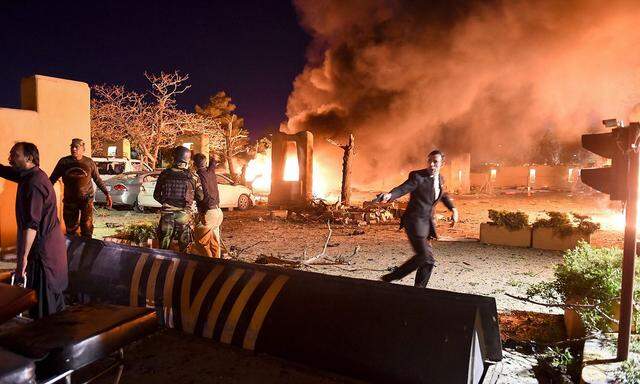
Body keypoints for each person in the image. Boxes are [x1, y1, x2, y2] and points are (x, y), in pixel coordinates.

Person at [0, 142, 67, 318]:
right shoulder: (29, 175)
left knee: (45, 308)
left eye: (15, 155)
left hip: (44, 254)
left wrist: (22, 259)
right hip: (47, 250)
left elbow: (32, 225)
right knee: (49, 305)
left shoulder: (34, 183)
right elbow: (6, 170)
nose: (10, 159)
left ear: (29, 158)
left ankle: (50, 343)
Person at [377, 149, 459, 288]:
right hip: (414, 222)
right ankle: (390, 277)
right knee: (424, 256)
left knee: (429, 261)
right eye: (430, 161)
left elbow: (443, 195)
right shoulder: (417, 176)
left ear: (442, 164)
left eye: (435, 162)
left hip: (427, 224)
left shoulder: (440, 179)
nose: (432, 165)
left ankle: (419, 291)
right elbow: (404, 188)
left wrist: (453, 209)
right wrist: (390, 195)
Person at [49, 138, 112, 237]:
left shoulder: (89, 162)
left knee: (86, 227)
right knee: (71, 228)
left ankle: (87, 248)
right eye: (72, 147)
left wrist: (107, 194)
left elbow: (97, 179)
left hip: (86, 199)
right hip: (70, 200)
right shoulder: (64, 162)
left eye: (76, 147)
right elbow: (52, 179)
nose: (74, 149)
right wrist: (44, 192)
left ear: (83, 149)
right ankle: (72, 248)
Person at [154, 146, 203, 252]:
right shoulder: (193, 176)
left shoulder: (165, 174)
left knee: (163, 247)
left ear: (175, 158)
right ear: (187, 159)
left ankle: (161, 265)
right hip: (184, 214)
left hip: (167, 214)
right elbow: (201, 196)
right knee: (184, 246)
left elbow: (156, 195)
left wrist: (167, 203)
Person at [190, 153, 223, 258]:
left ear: (194, 164)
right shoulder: (211, 171)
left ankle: (208, 266)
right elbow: (213, 163)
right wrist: (214, 158)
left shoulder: (198, 177)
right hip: (218, 213)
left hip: (208, 213)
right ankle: (217, 266)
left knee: (201, 243)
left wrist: (202, 213)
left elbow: (200, 197)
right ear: (205, 163)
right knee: (214, 244)